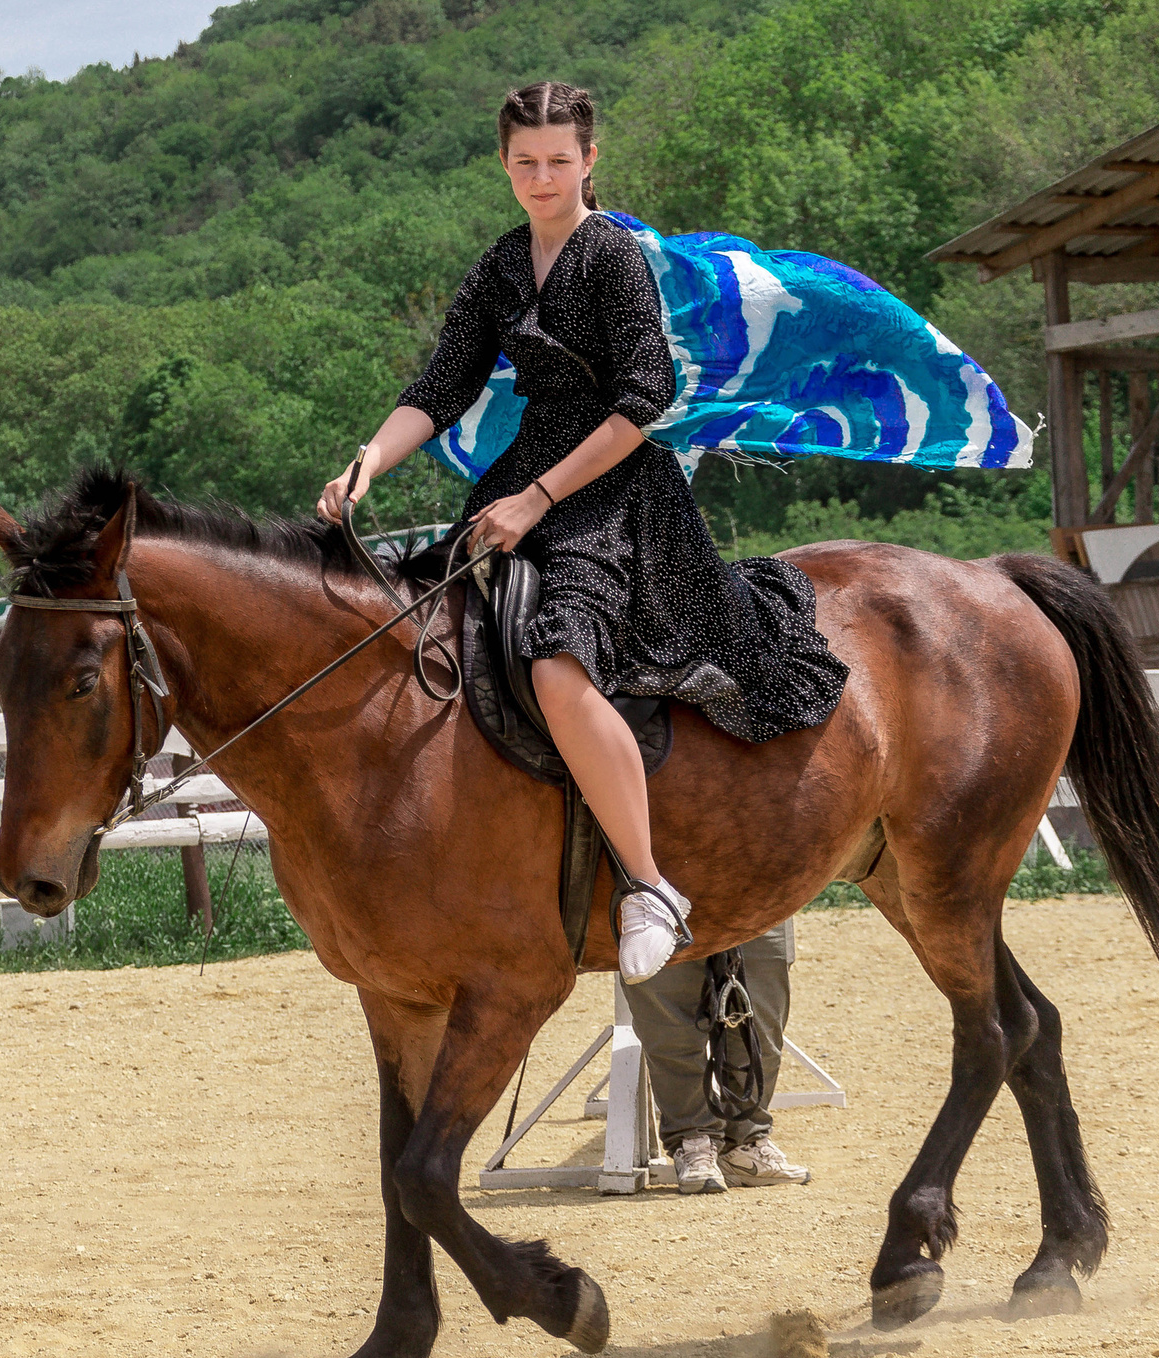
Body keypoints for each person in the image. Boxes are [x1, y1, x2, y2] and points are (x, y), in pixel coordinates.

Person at [318, 79, 846, 983]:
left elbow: (644, 398)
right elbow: (441, 387)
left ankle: (648, 886)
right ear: (503, 163)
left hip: (612, 487)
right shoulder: (499, 265)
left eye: (559, 161)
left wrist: (537, 500)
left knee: (557, 669)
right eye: (525, 162)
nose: (542, 178)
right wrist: (368, 461)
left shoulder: (612, 256)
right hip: (523, 471)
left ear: (589, 160)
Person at [619, 920, 812, 1194]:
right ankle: (693, 1140)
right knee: (670, 1021)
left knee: (760, 1016)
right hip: (660, 900)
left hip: (759, 898)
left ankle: (745, 1143)